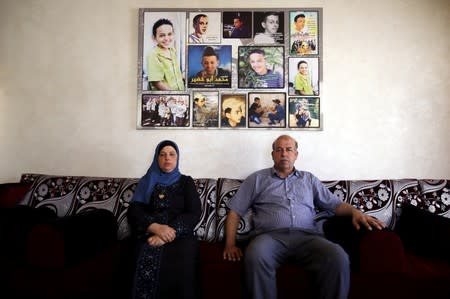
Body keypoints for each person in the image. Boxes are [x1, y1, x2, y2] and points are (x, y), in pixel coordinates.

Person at [222, 135, 386, 299]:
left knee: (338, 256)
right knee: (256, 254)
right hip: (270, 238)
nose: (284, 154)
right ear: (272, 155)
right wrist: (230, 244)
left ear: (296, 155)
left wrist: (355, 212)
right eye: (279, 150)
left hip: (308, 237)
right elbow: (235, 211)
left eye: (288, 149)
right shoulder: (257, 179)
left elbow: (335, 205)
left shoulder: (309, 179)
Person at [127, 140, 201, 299]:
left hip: (179, 235)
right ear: (157, 158)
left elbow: (194, 212)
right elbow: (134, 210)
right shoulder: (147, 181)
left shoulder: (186, 182)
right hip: (148, 233)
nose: (167, 158)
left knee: (181, 261)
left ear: (177, 158)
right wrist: (155, 228)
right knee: (133, 255)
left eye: (172, 154)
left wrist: (167, 233)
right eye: (162, 154)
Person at [147, 18, 184, 91]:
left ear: (174, 34)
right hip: (168, 96)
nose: (167, 38)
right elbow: (157, 83)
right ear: (154, 37)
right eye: (162, 35)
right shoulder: (153, 54)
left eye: (170, 34)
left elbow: (175, 73)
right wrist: (174, 95)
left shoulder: (172, 50)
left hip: (180, 91)